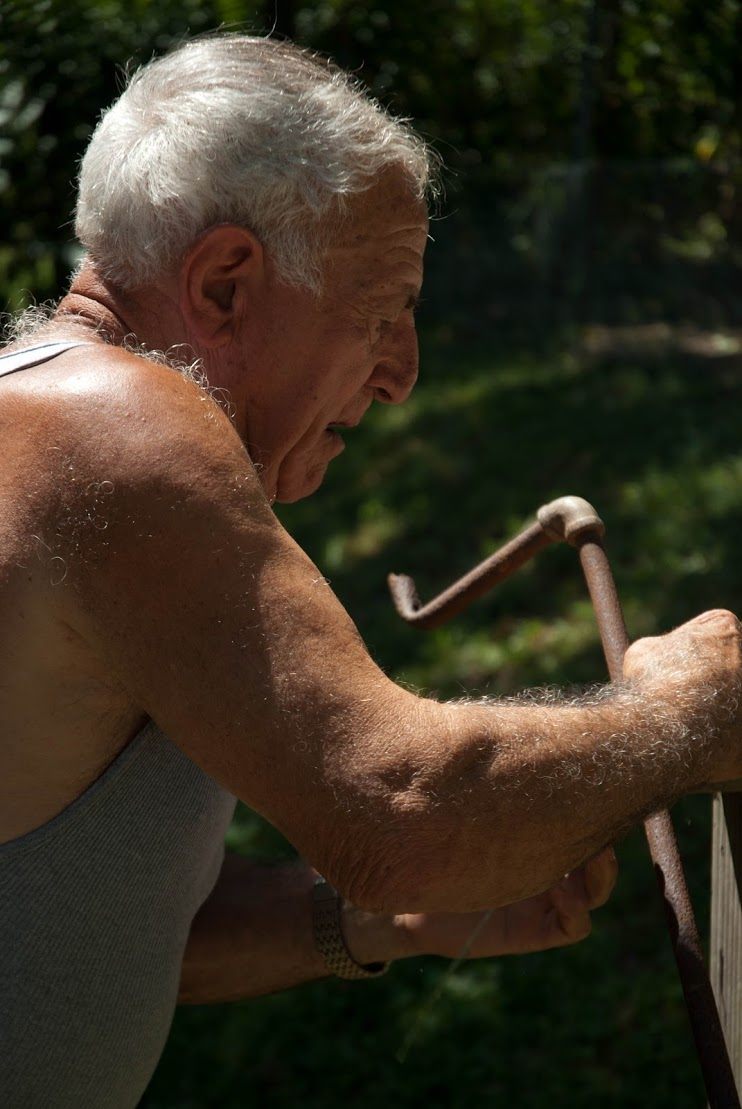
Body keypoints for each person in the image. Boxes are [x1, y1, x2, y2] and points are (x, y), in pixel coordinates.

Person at [1, 32, 740, 1108]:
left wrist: (366, 921)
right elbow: (405, 812)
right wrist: (696, 709)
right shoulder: (114, 433)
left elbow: (81, 939)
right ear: (221, 283)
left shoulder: (40, 409)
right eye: (384, 305)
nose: (403, 372)